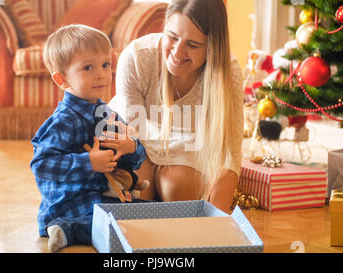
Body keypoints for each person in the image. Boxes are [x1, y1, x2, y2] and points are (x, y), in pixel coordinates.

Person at [109, 0, 243, 213]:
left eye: (192, 45)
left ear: (211, 47)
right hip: (133, 142)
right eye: (172, 37)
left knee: (177, 187)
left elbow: (230, 151)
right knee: (139, 189)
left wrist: (219, 215)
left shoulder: (228, 72)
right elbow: (134, 135)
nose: (177, 52)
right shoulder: (136, 57)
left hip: (182, 148)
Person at [30, 24, 147, 252]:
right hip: (69, 205)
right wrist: (88, 163)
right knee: (115, 223)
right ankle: (66, 229)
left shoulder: (107, 114)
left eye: (105, 65)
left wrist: (131, 147)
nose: (101, 74)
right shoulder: (63, 121)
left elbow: (137, 159)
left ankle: (81, 227)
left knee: (148, 214)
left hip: (101, 199)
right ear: (62, 79)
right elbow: (41, 165)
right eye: (88, 68)